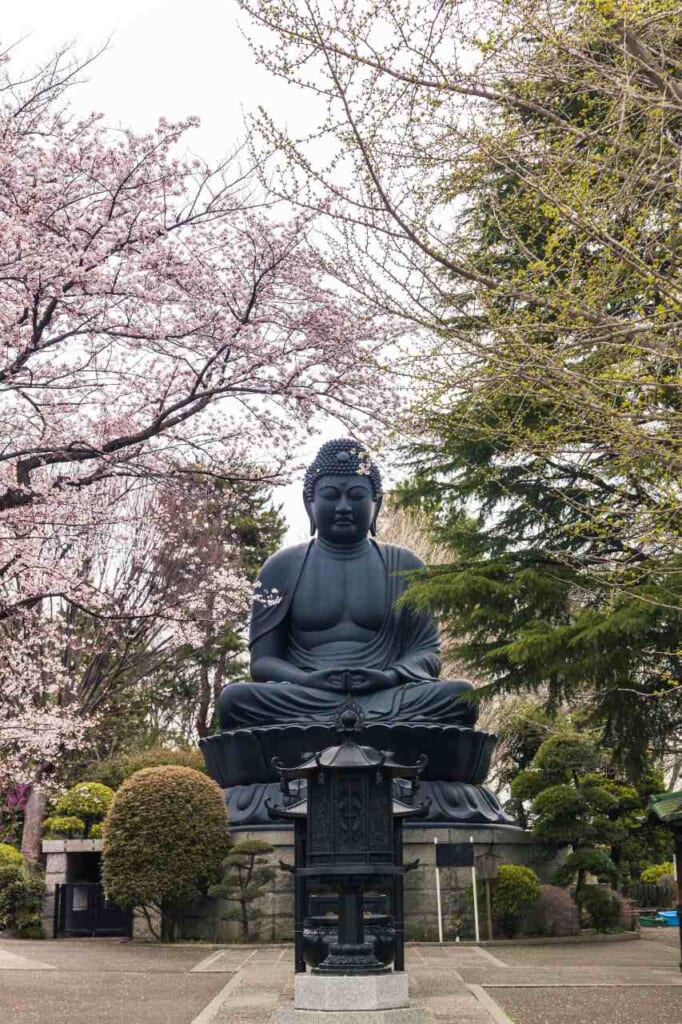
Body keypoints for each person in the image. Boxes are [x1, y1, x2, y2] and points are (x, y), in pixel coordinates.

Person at [218, 438, 476, 730]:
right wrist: (305, 679)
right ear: (309, 503)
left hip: (386, 696)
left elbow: (428, 653)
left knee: (459, 696)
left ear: (376, 504)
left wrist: (390, 676)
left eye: (356, 496)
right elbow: (262, 662)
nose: (343, 507)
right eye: (330, 495)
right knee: (235, 700)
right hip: (306, 697)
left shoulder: (406, 566)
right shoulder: (281, 567)